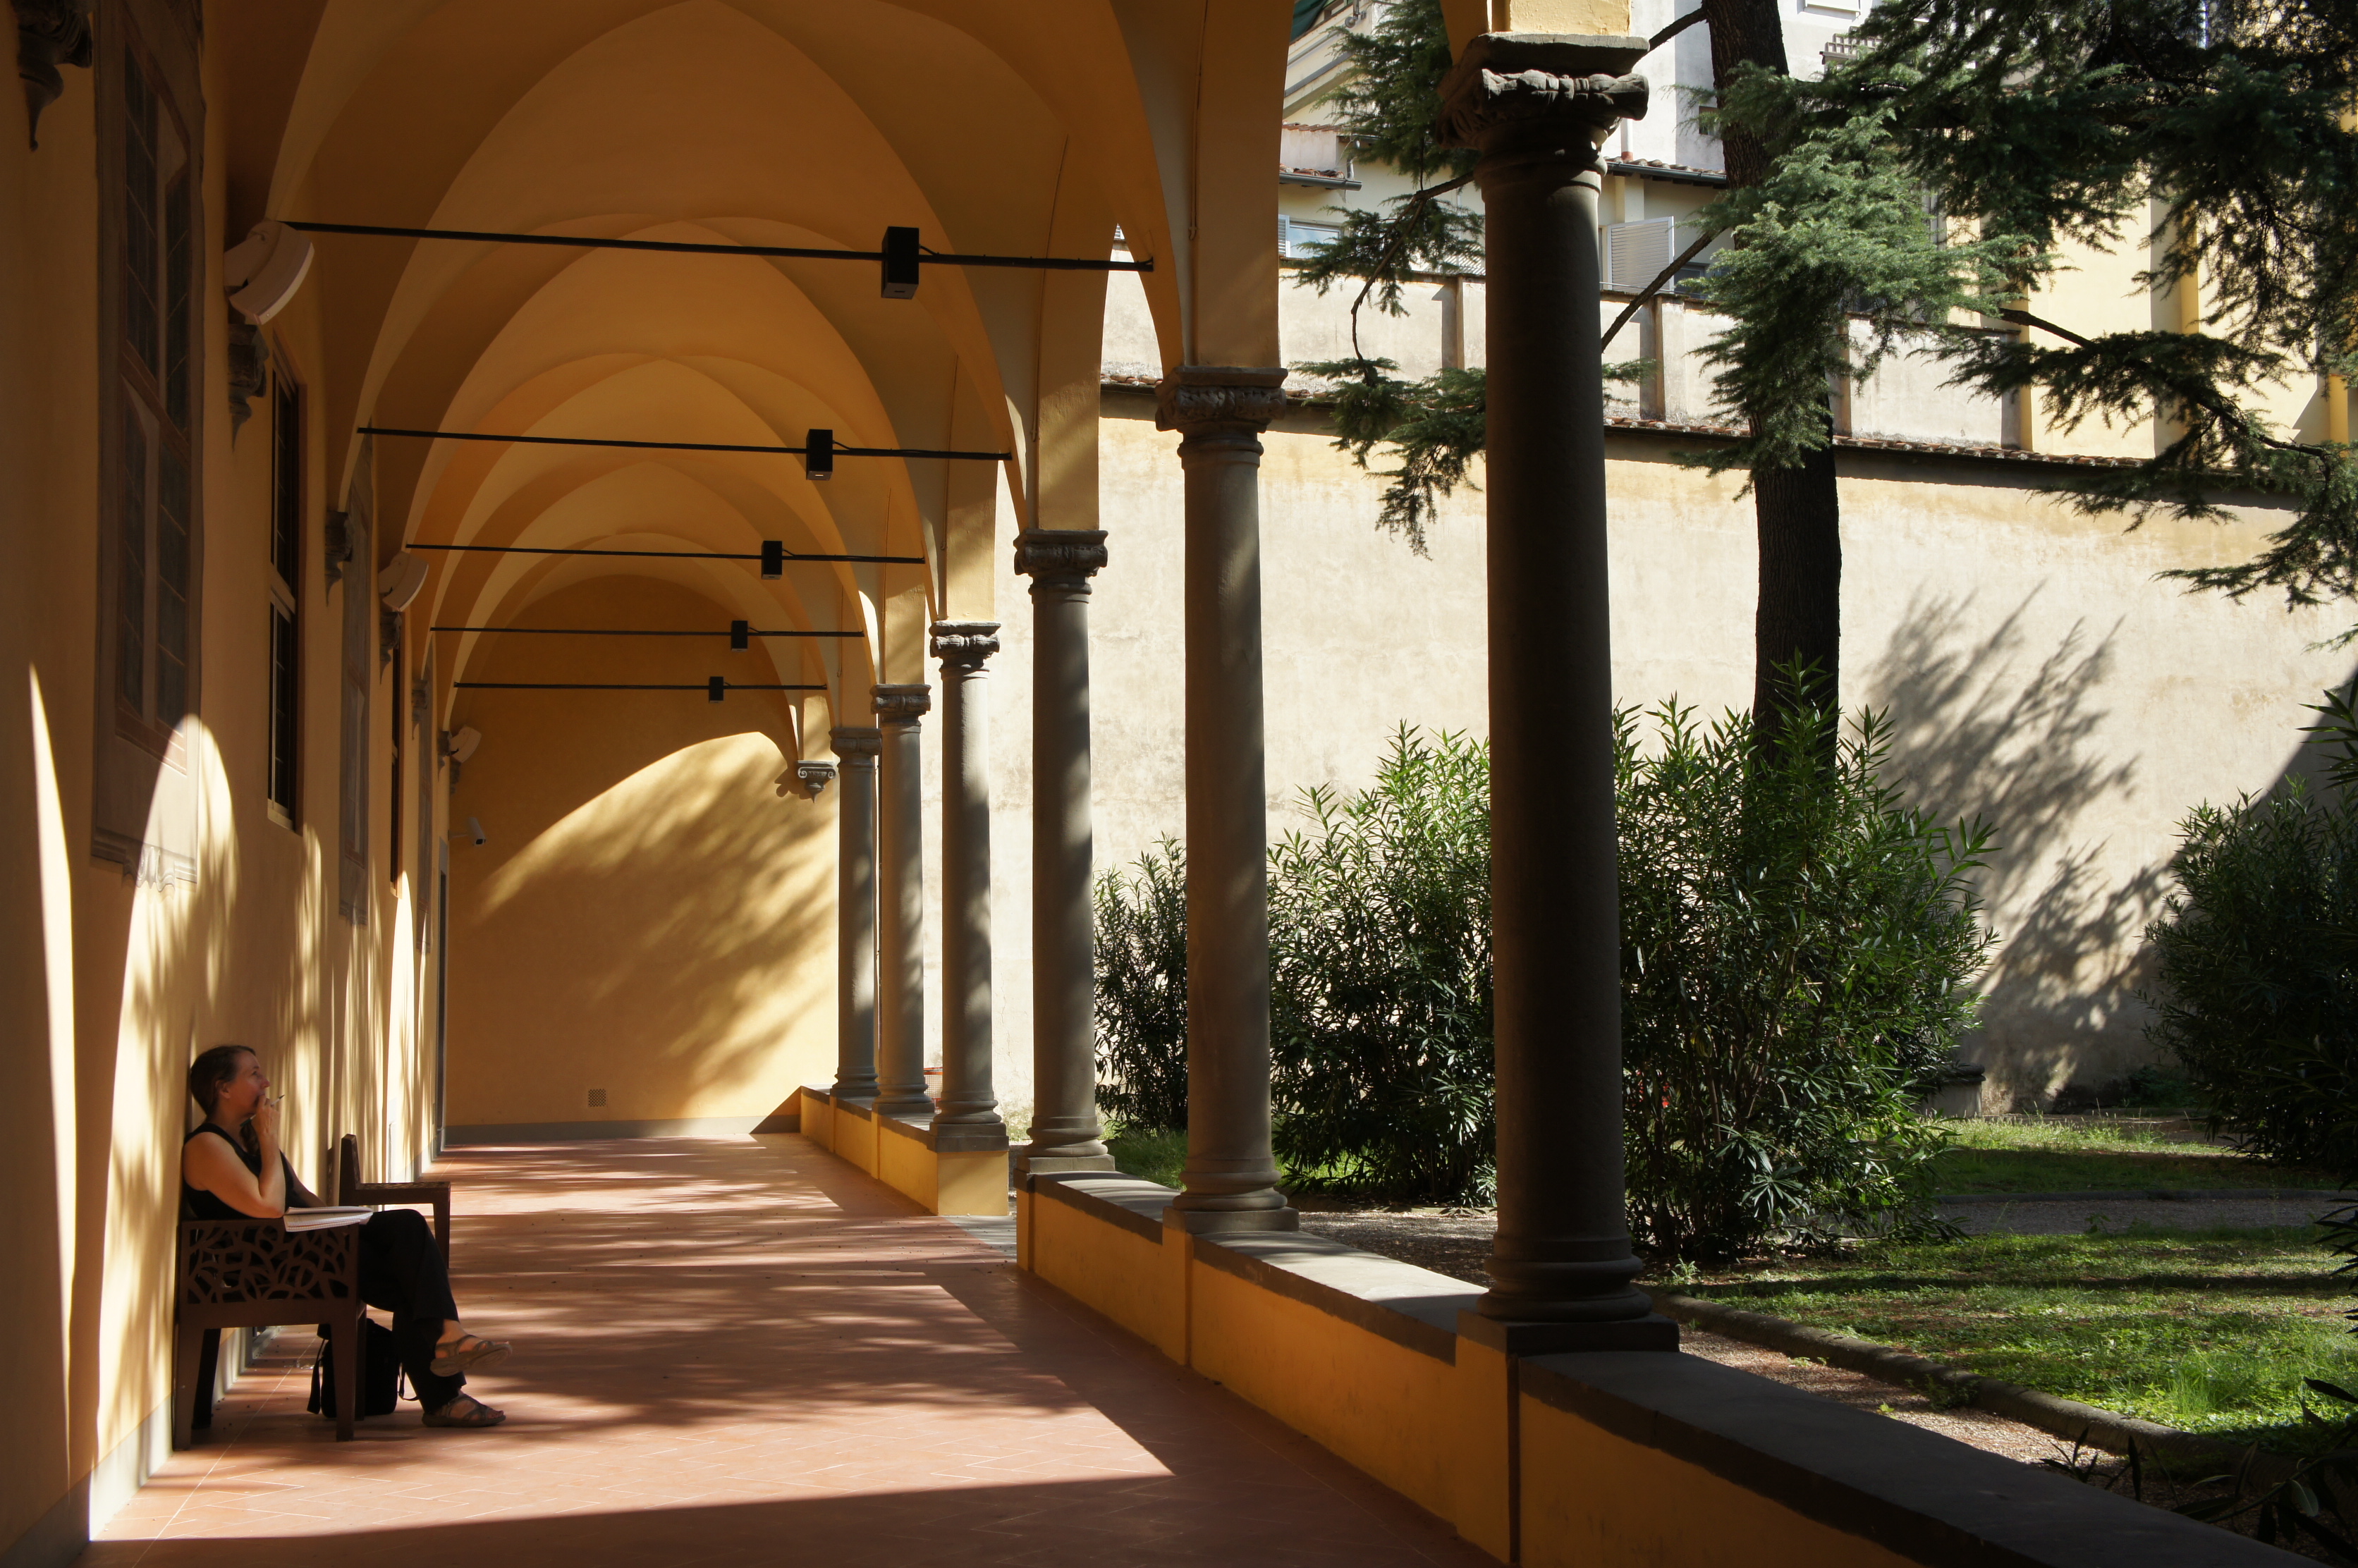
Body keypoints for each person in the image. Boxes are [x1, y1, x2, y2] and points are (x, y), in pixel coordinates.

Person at [181, 1043, 511, 1428]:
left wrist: (348, 1220)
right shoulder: (206, 1146)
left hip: (306, 1249)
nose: (266, 1082)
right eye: (253, 1074)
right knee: (411, 1269)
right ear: (223, 1088)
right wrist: (269, 1140)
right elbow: (269, 1207)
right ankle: (445, 1384)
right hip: (268, 1268)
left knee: (407, 1235)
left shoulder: (249, 1139)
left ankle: (449, 1349)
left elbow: (301, 1195)